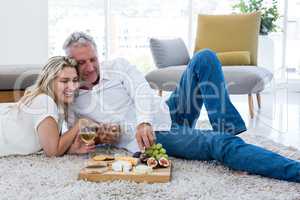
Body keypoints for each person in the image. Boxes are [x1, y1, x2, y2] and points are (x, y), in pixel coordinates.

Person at [64, 32, 300, 183]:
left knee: (204, 57)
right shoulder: (72, 100)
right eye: (82, 63)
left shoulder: (118, 66)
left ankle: (228, 135)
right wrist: (102, 137)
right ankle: (292, 170)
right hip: (158, 137)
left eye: (92, 59)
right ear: (71, 63)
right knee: (217, 144)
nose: (90, 67)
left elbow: (141, 90)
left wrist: (143, 120)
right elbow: (81, 136)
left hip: (167, 111)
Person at [0, 56, 96, 157]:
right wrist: (79, 124)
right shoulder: (45, 102)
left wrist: (71, 149)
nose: (72, 87)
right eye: (64, 81)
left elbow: (49, 145)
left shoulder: (57, 105)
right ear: (49, 82)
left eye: (75, 80)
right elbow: (53, 152)